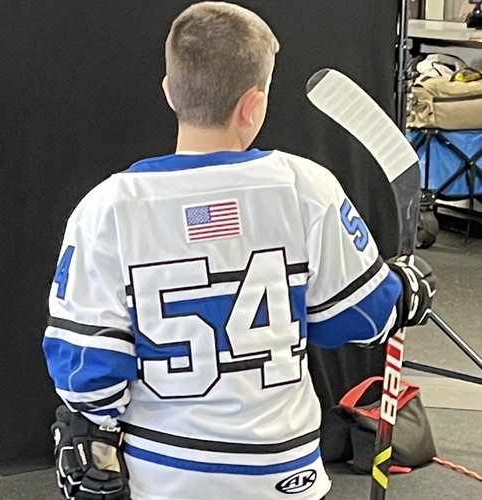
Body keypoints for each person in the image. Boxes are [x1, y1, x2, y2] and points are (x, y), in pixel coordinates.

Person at [42, 2, 436, 499]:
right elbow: (357, 317)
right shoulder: (305, 187)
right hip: (284, 474)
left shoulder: (107, 208)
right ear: (254, 104)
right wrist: (402, 291)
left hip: (164, 475)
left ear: (169, 92)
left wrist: (93, 421)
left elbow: (87, 366)